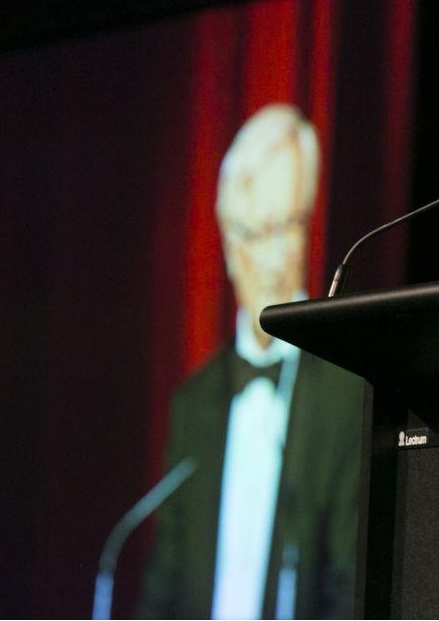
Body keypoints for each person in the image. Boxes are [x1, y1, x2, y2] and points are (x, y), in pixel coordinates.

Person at [138, 104, 362, 619]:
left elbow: (351, 586)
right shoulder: (193, 402)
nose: (273, 259)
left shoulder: (347, 391)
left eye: (288, 226)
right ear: (227, 241)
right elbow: (163, 585)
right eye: (256, 232)